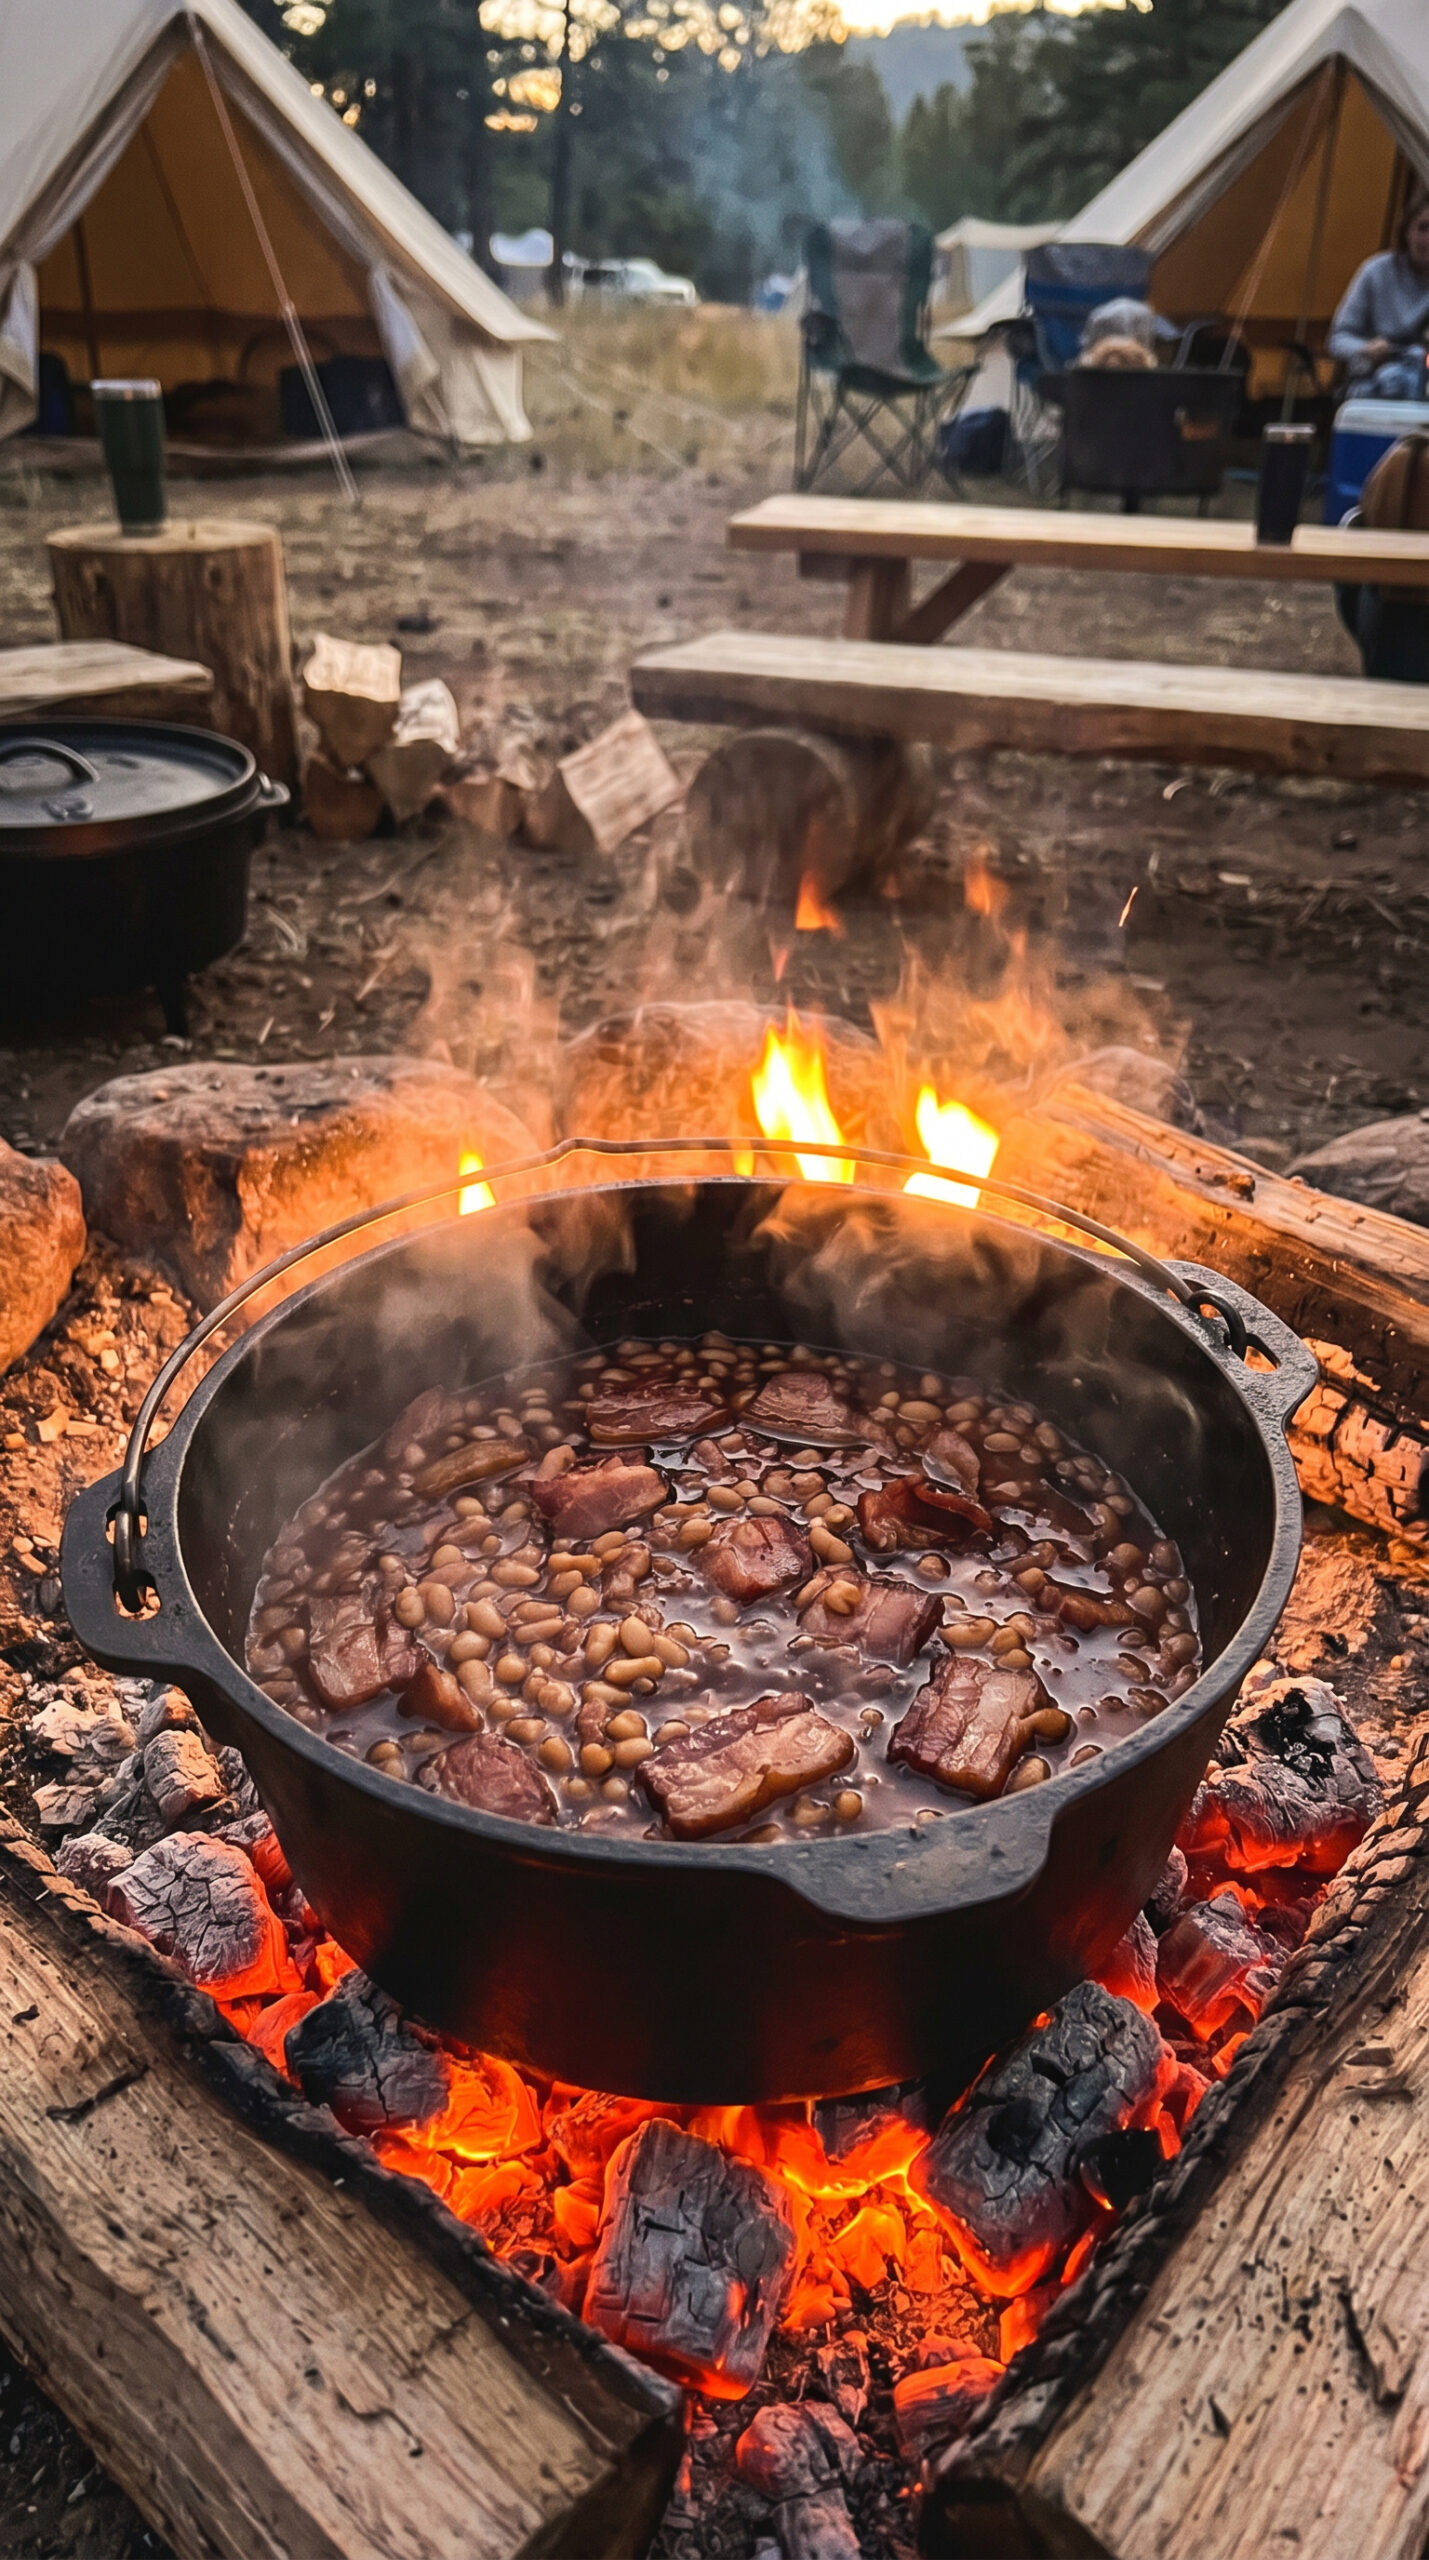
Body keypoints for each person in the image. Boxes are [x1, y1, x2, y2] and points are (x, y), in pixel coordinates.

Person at [1328, 194, 1429, 398]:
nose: (1428, 239)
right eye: (1422, 228)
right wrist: (1366, 348)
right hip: (1374, 381)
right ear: (1406, 232)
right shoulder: (1375, 272)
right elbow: (1337, 339)